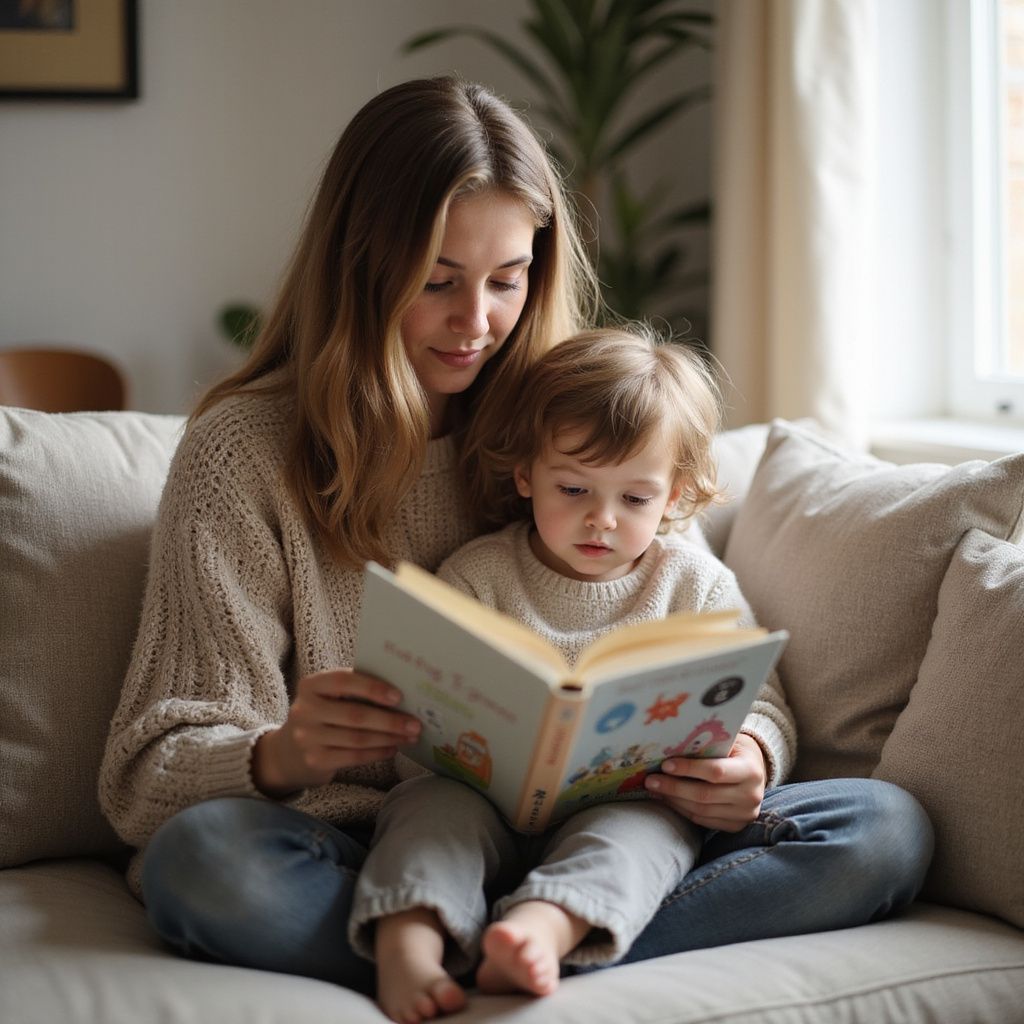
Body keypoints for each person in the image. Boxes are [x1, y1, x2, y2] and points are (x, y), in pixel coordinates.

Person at [97, 74, 932, 1015]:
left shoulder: (577, 415)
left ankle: (532, 932)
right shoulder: (241, 457)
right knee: (203, 866)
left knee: (882, 829)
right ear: (359, 267)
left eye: (508, 278)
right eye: (438, 281)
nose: (478, 322)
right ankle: (466, 932)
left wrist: (747, 764)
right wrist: (283, 754)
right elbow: (143, 780)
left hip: (620, 824)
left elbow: (708, 640)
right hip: (377, 839)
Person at [348, 326, 797, 1022]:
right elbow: (418, 707)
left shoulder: (695, 584)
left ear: (675, 495)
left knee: (651, 833)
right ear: (525, 473)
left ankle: (541, 930)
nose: (602, 519)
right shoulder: (479, 574)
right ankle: (410, 942)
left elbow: (760, 696)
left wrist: (750, 756)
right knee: (427, 815)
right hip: (475, 797)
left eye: (636, 499)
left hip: (624, 802)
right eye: (573, 487)